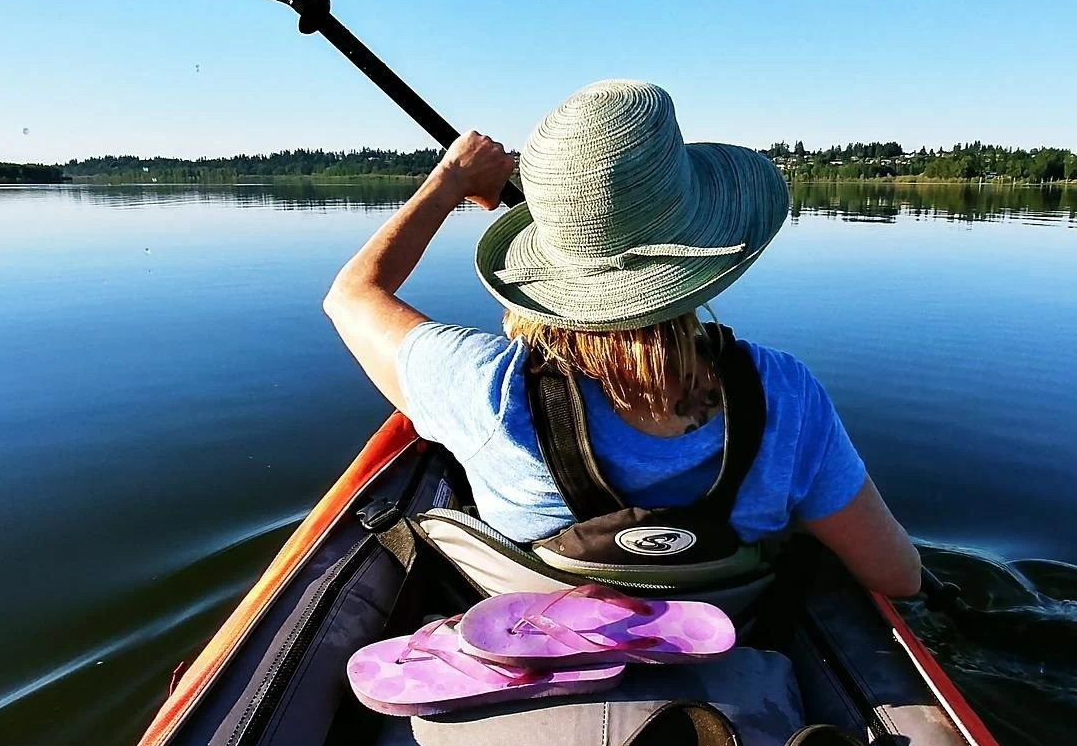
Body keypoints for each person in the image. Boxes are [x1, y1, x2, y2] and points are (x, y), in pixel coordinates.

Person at [323, 79, 920, 599]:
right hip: (732, 670)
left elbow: (350, 296)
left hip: (546, 673)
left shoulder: (484, 389)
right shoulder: (786, 396)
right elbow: (899, 577)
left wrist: (451, 178)